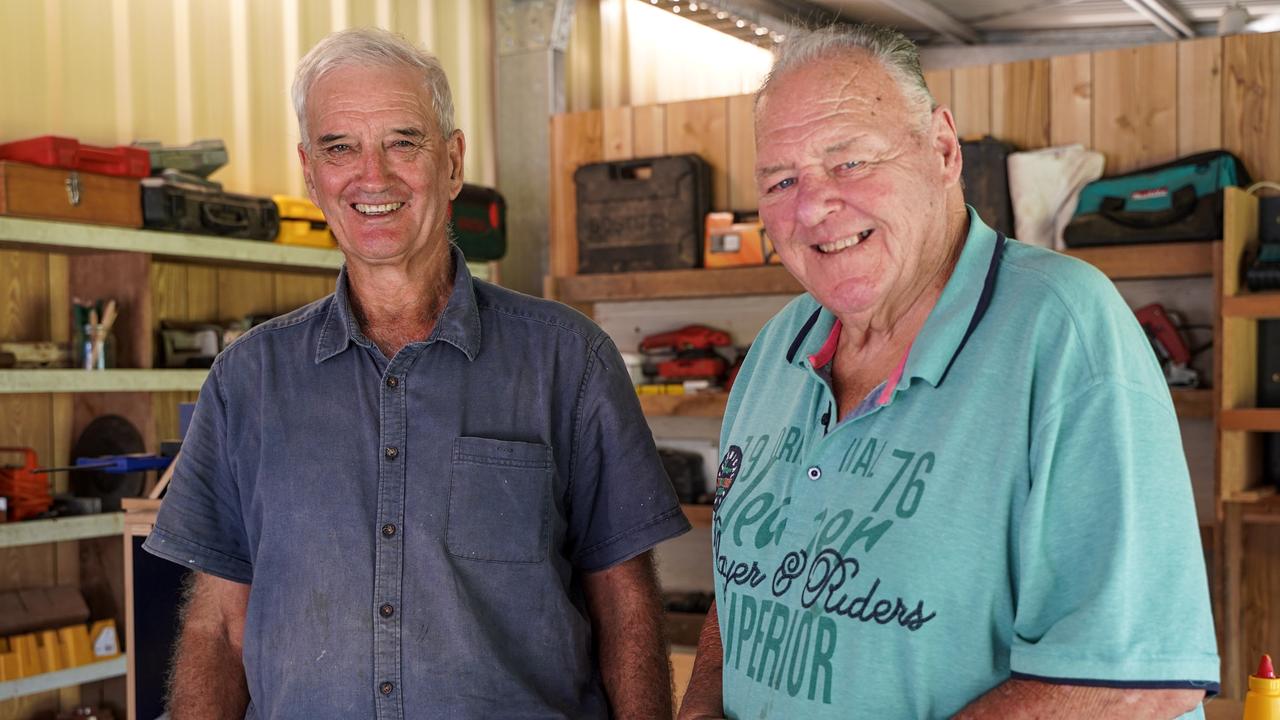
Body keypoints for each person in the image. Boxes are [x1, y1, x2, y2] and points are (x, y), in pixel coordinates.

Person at [143, 27, 690, 720]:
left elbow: (625, 602)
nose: (373, 176)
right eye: (341, 148)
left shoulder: (568, 361)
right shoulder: (246, 381)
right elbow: (218, 624)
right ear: (311, 173)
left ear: (453, 161)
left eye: (404, 142)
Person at [677, 24, 1218, 720]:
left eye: (848, 163)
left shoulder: (1064, 329)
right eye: (782, 180)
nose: (812, 208)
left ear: (942, 150)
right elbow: (752, 570)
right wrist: (699, 708)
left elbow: (1131, 683)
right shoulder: (777, 351)